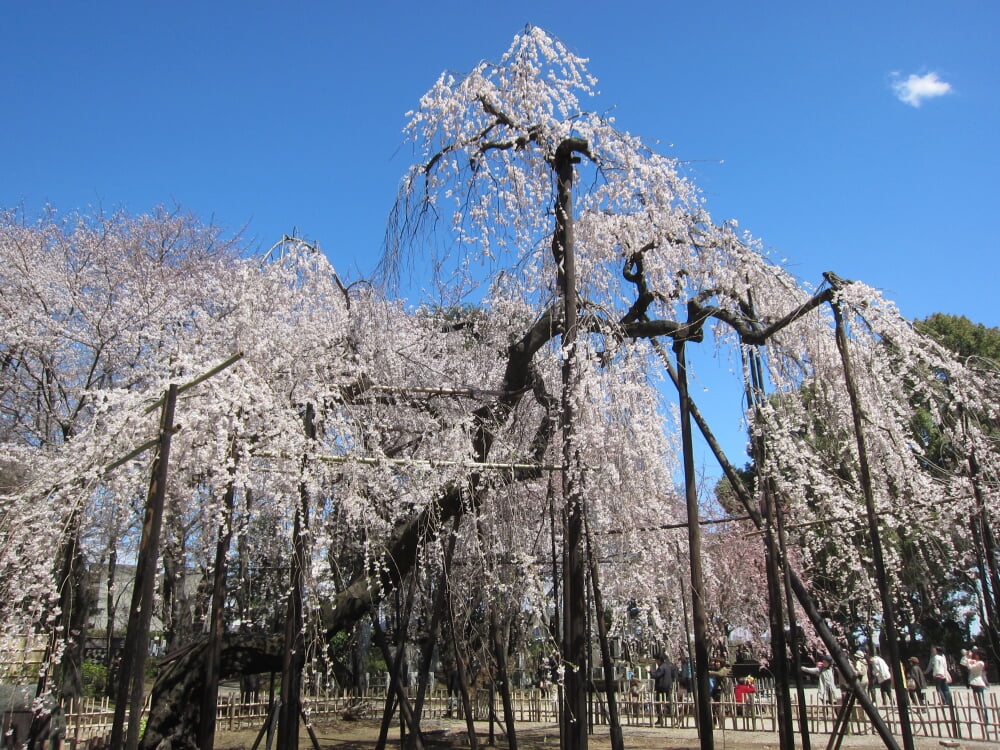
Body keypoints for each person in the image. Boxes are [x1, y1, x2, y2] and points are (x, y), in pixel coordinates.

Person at [960, 648, 989, 724]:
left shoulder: (981, 663)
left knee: (981, 702)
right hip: (973, 683)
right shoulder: (974, 661)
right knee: (977, 702)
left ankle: (985, 718)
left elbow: (971, 668)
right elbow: (963, 663)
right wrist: (968, 658)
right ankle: (980, 717)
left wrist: (969, 661)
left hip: (978, 683)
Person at [650, 653, 677, 726]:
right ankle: (672, 716)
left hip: (661, 687)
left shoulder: (661, 667)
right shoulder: (669, 666)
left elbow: (656, 675)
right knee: (668, 703)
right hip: (668, 687)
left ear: (659, 660)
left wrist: (650, 671)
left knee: (659, 703)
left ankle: (660, 718)